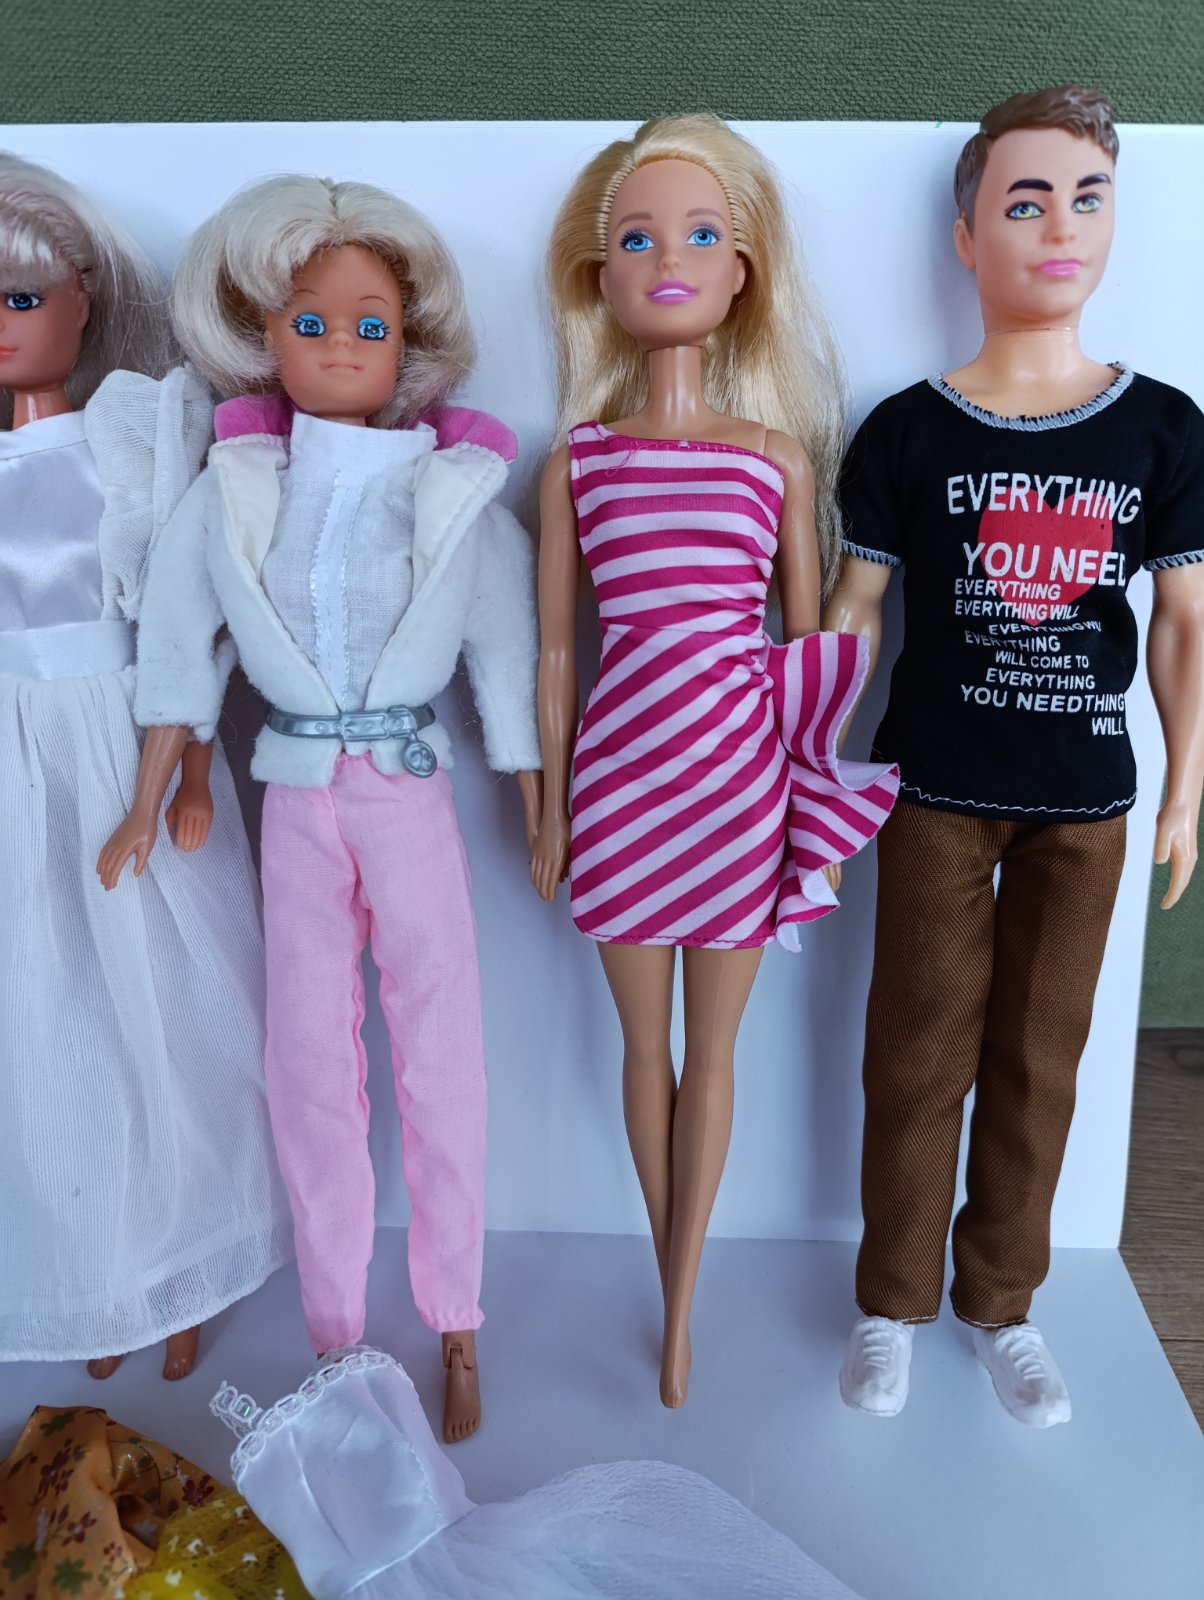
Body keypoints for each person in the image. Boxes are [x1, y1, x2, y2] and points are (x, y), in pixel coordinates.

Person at [105, 174, 541, 1443]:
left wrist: (538, 797)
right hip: (293, 792)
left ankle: (455, 1316)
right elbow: (180, 647)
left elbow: (506, 652)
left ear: (410, 341)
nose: (343, 346)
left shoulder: (451, 487)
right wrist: (148, 796)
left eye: (370, 325)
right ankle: (336, 1329)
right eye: (311, 323)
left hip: (407, 789)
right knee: (308, 1064)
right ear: (263, 336)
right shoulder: (238, 483)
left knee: (442, 1050)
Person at [826, 86, 1204, 1426]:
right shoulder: (907, 430)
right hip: (932, 788)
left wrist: (1188, 791)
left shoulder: (1160, 427)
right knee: (914, 1050)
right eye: (1026, 201)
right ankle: (890, 1301)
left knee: (1045, 1059)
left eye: (1087, 199)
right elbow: (852, 612)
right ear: (967, 234)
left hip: (1086, 799)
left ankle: (1001, 1303)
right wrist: (813, 775)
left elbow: (1183, 623)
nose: (1059, 228)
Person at [532, 114, 897, 1407]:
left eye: (699, 235)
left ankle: (681, 1304)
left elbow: (807, 660)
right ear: (601, 277)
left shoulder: (776, 461)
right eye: (637, 239)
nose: (669, 260)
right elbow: (556, 655)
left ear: (742, 271)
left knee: (717, 1052)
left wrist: (815, 819)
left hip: (742, 789)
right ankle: (672, 1290)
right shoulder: (579, 464)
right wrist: (549, 812)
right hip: (621, 790)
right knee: (646, 1052)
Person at [0, 152, 290, 1380]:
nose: (6, 325)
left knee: (171, 1022)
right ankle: (93, 1275)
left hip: (127, 744)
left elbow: (186, 624)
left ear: (84, 300)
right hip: (16, 763)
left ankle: (188, 1264)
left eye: (24, 298)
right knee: (47, 1027)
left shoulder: (131, 441)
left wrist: (189, 773)